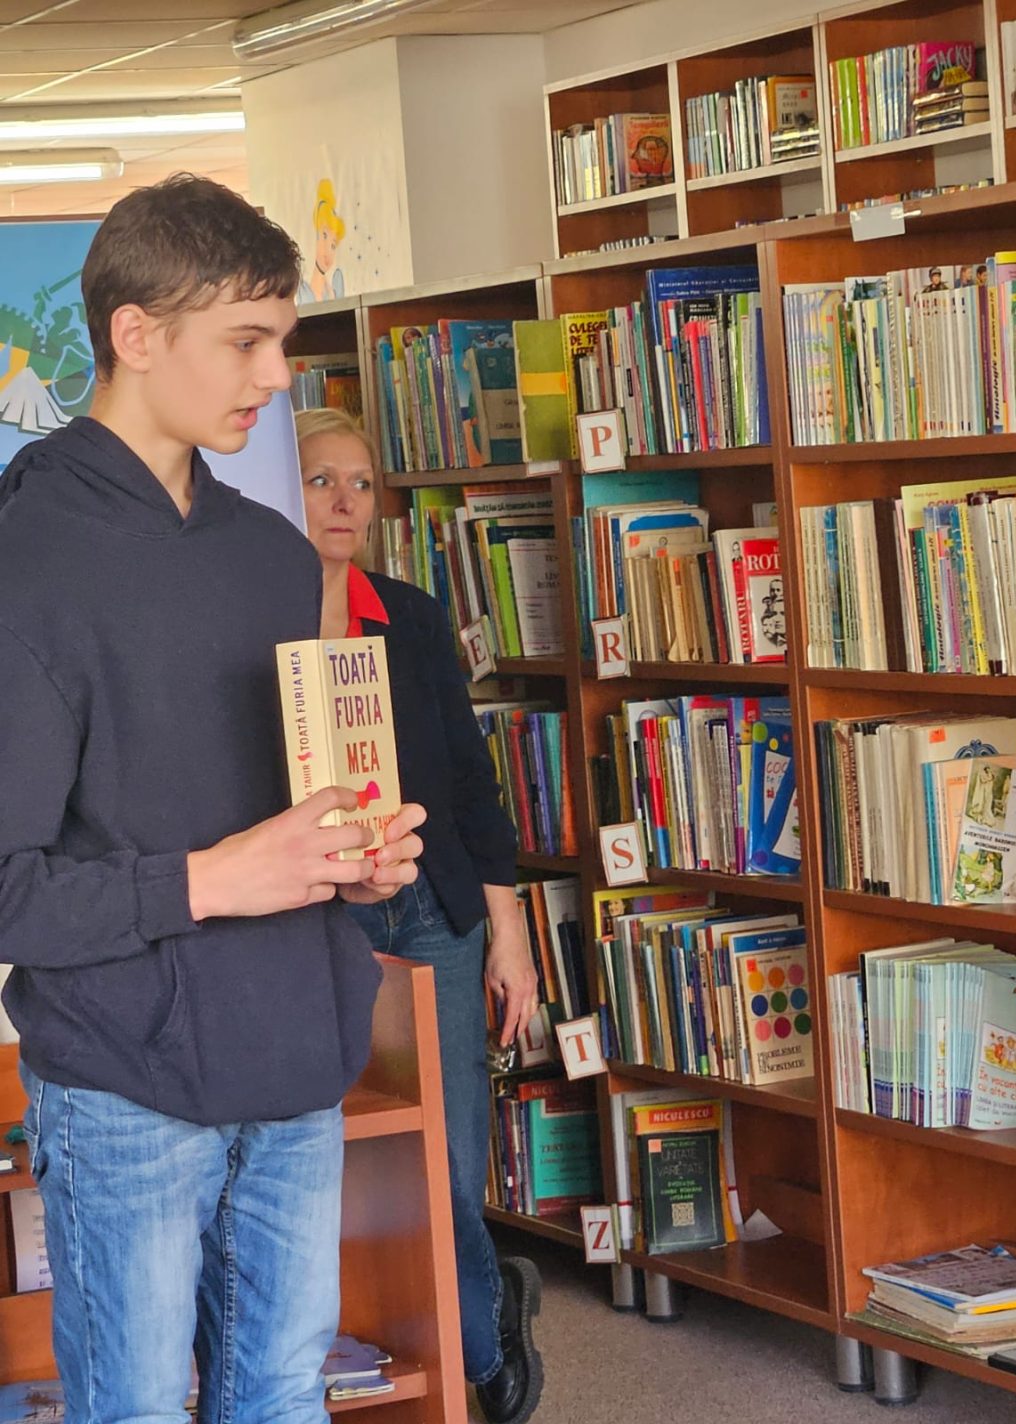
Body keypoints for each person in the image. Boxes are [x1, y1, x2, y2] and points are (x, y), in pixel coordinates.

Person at [0, 174, 427, 1424]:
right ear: (136, 334)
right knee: (136, 1406)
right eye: (245, 341)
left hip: (296, 1057)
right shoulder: (26, 566)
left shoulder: (274, 553)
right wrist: (215, 878)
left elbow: (300, 807)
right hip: (123, 1080)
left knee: (284, 1395)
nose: (277, 375)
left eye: (281, 341)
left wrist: (357, 854)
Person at [295, 406, 544, 1424]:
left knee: (444, 1152)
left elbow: (471, 786)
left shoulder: (411, 616)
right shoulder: (243, 619)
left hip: (434, 910)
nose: (344, 501)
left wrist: (510, 934)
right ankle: (405, 1348)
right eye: (320, 479)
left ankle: (477, 1340)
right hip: (318, 919)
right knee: (332, 1155)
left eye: (360, 482)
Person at [298, 177, 346, 303]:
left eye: (333, 246)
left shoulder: (334, 288)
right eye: (324, 236)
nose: (328, 251)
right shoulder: (303, 290)